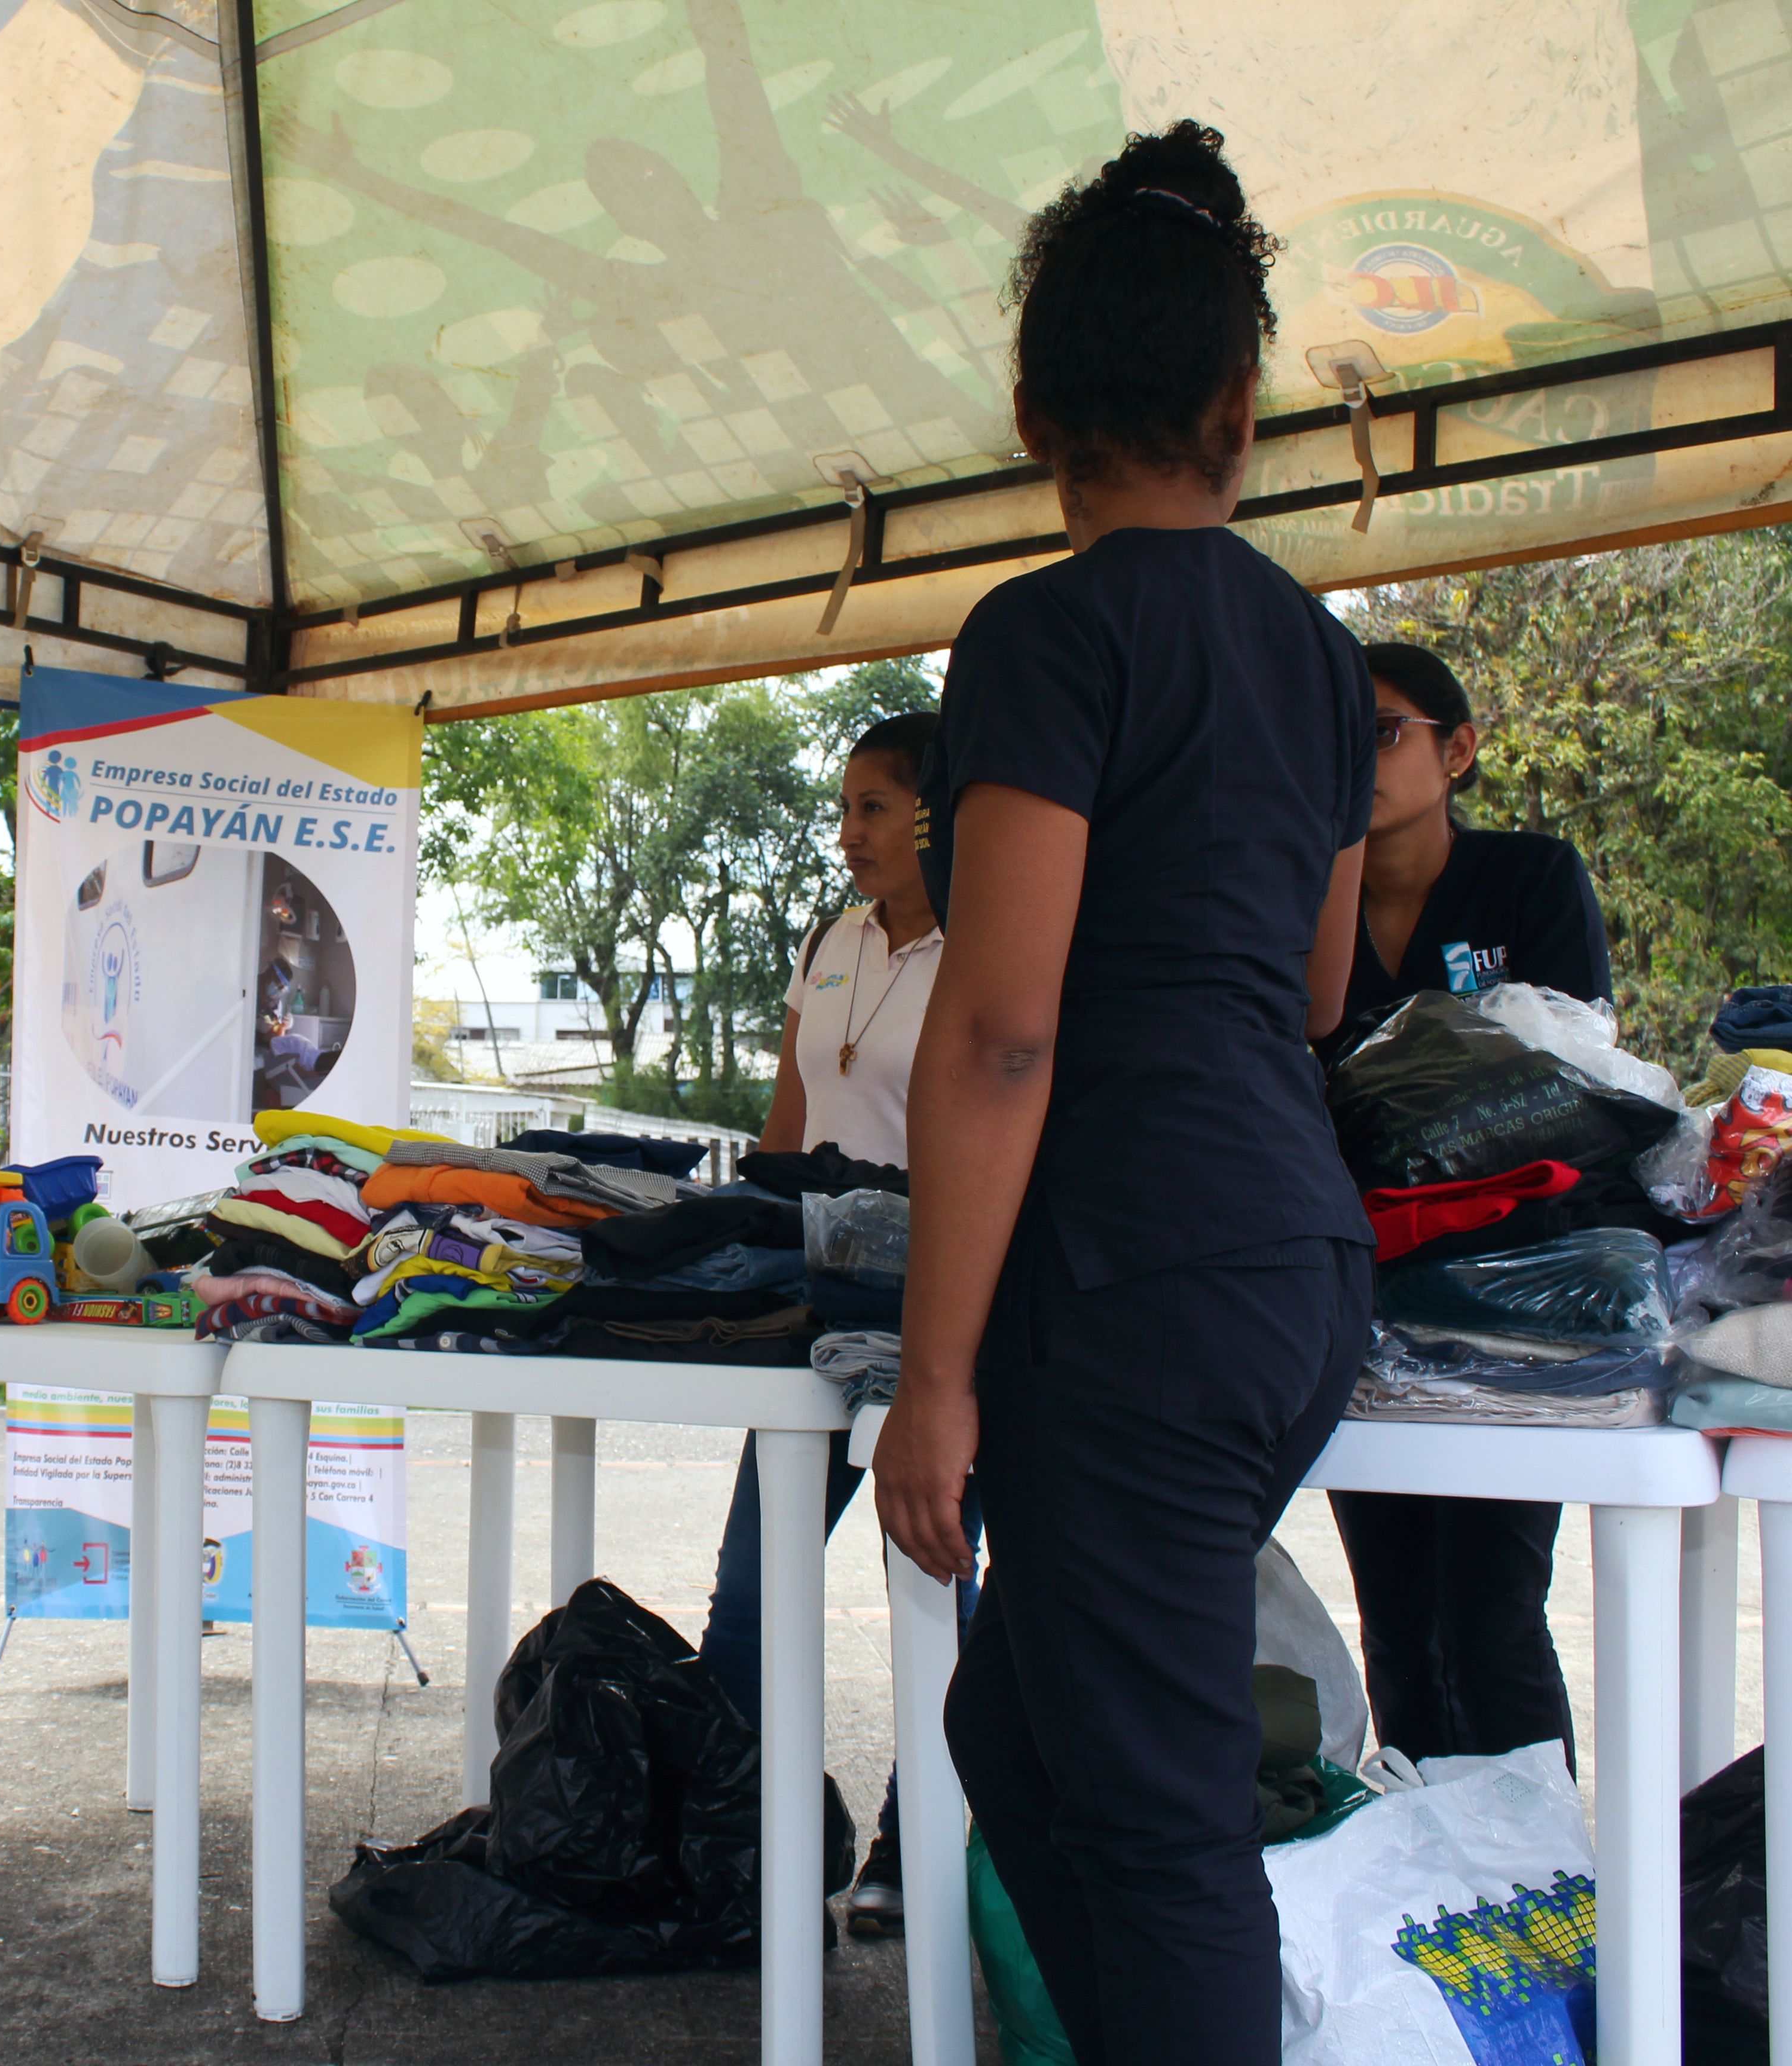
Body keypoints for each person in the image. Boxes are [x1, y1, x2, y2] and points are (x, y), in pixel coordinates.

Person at [873, 124, 1377, 2066]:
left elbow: (999, 1025)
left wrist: (931, 1375)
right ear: (1238, 407)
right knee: (1011, 1720)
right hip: (1286, 1269)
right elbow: (1319, 984)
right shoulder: (1318, 661)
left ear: (1029, 411)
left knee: (1165, 1834)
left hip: (1131, 1286)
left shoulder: (1043, 634)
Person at [701, 710, 973, 1935]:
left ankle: (917, 1852)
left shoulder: (987, 948)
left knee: (940, 1587)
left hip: (939, 1308)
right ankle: (742, 1836)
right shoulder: (832, 941)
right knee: (751, 1591)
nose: (851, 830)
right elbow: (785, 1130)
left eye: (877, 806)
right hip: (814, 1309)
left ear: (935, 814)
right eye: (846, 806)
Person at [1326, 640, 1607, 1771]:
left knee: (1490, 1607)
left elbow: (1565, 1074)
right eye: (1335, 736)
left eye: (1382, 731)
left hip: (1514, 1289)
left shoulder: (1531, 878)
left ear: (1460, 750)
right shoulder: (1305, 901)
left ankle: (1548, 1897)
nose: (1357, 757)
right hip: (1365, 1288)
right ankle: (1439, 1902)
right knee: (1394, 1612)